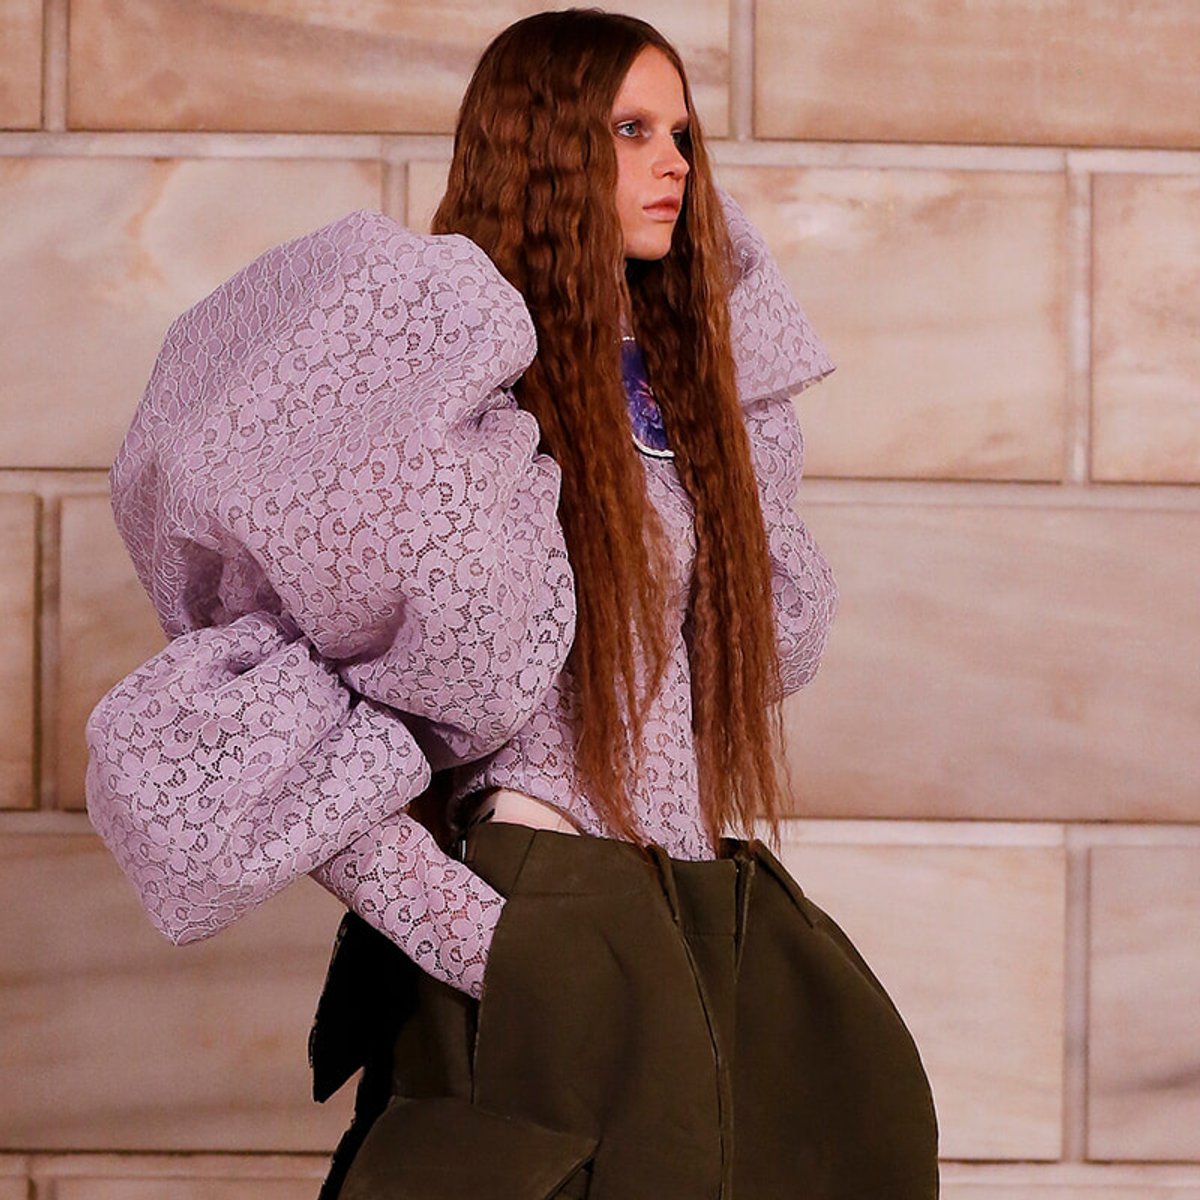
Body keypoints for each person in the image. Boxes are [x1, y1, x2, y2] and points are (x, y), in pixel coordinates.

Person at [85, 8, 939, 1198]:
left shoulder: (686, 396)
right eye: (631, 130)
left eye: (682, 133)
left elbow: (740, 669)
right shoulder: (449, 391)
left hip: (691, 904)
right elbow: (297, 717)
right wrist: (487, 940)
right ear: (537, 147)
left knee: (847, 1130)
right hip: (548, 899)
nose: (675, 165)